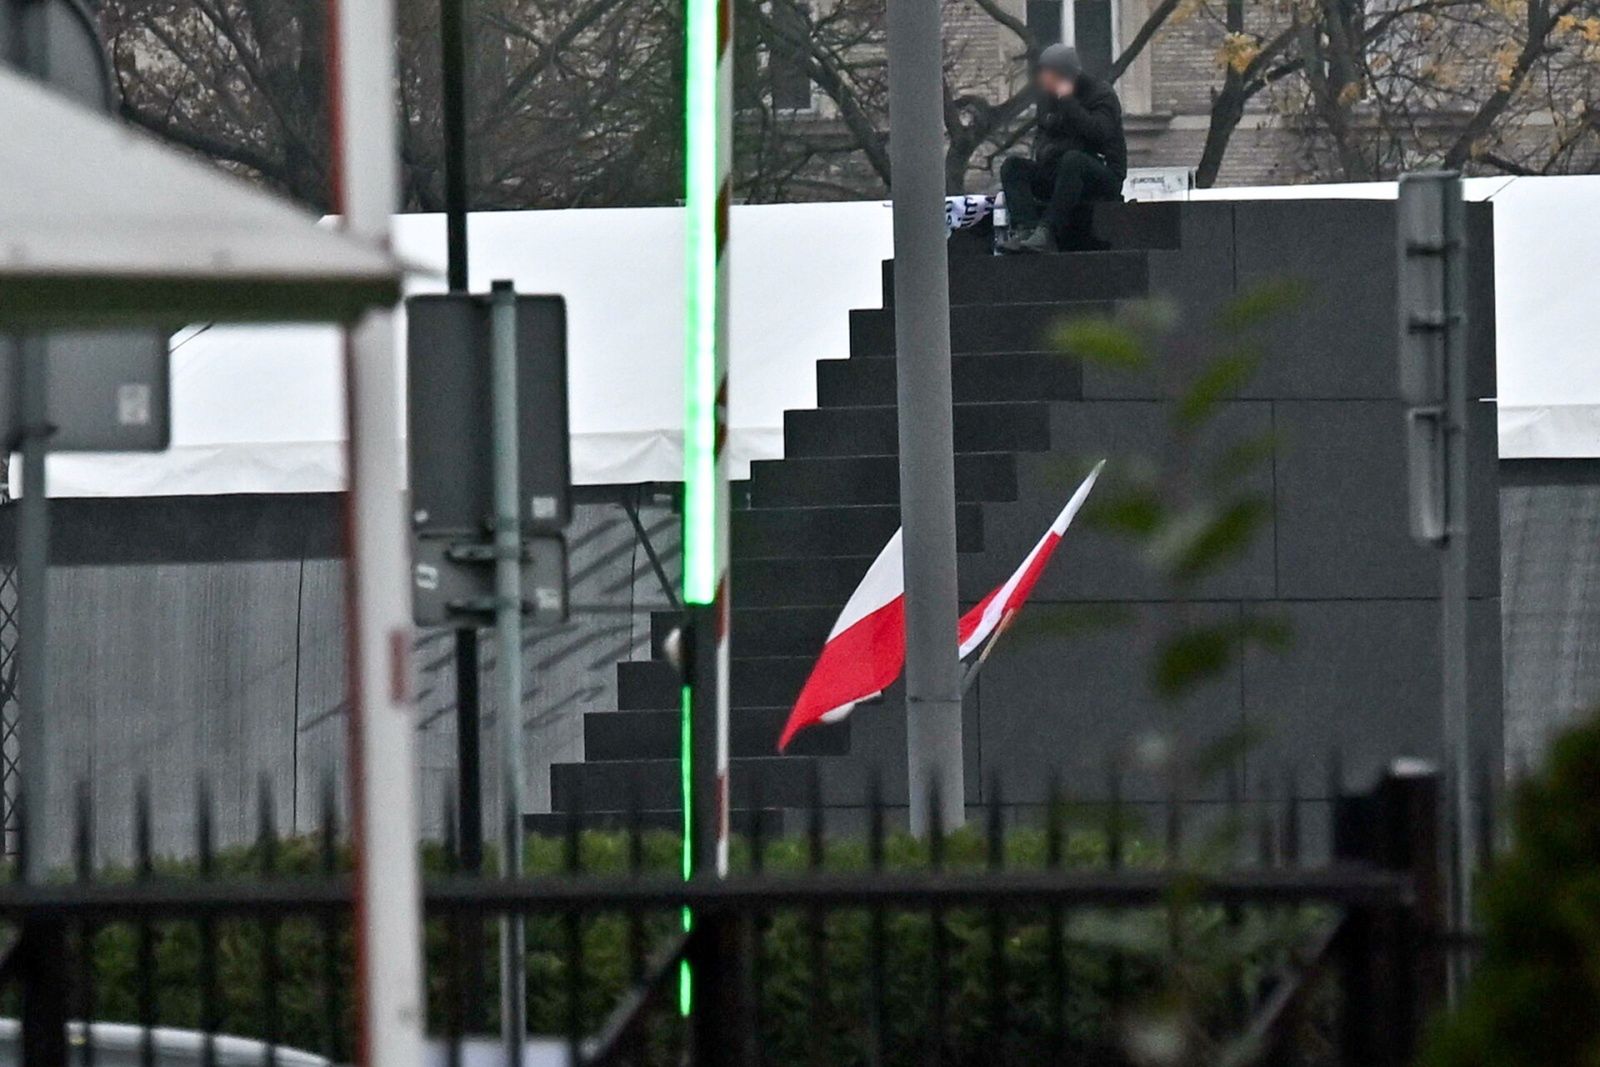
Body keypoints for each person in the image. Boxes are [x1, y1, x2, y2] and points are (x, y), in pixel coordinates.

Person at [998, 44, 1128, 254]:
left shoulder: (1101, 93)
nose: (1043, 80)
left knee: (1073, 159)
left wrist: (1068, 102)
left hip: (1100, 176)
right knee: (1013, 166)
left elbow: (1099, 134)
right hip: (1061, 172)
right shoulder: (1048, 100)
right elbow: (1045, 134)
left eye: (1048, 74)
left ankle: (1047, 231)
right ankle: (1026, 228)